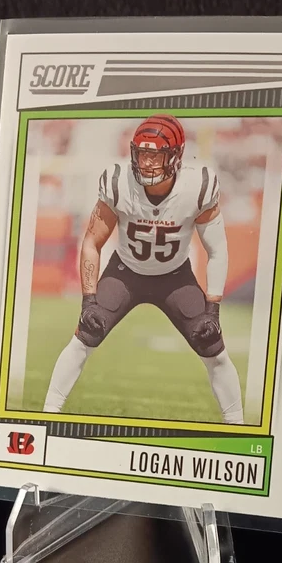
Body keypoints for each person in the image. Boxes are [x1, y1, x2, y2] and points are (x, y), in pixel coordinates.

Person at [43, 114, 244, 423]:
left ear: (176, 156)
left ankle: (238, 427)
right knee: (85, 336)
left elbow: (216, 249)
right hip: (125, 273)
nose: (147, 163)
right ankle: (48, 416)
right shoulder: (118, 182)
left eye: (156, 155)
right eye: (142, 154)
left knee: (213, 348)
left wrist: (213, 310)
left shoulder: (198, 186)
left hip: (175, 278)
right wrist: (89, 301)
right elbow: (92, 242)